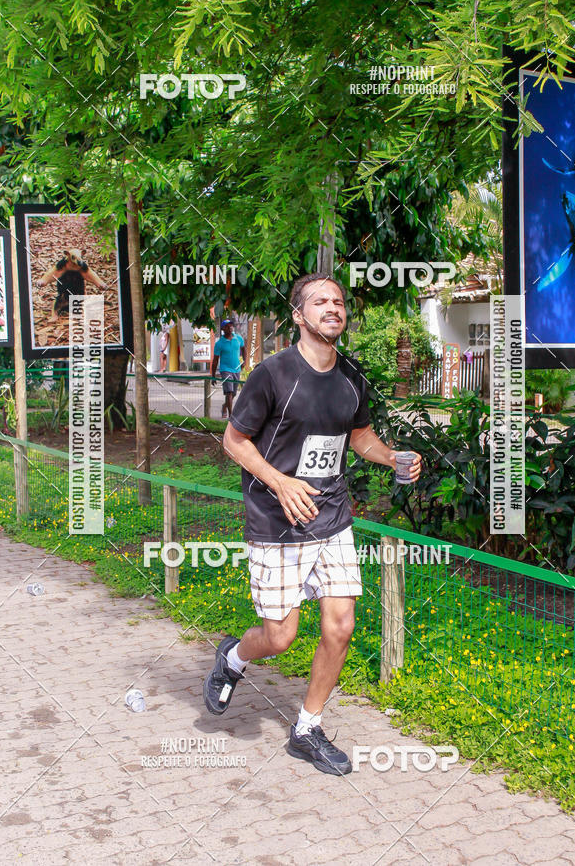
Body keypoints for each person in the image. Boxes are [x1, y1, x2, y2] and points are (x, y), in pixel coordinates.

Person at [203, 273, 422, 775]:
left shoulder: (351, 375)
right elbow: (234, 441)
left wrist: (391, 457)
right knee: (280, 637)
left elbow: (359, 437)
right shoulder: (272, 374)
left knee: (340, 625)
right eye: (320, 301)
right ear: (299, 316)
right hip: (276, 521)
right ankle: (233, 658)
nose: (333, 307)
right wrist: (280, 482)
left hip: (332, 518)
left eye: (339, 301)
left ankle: (307, 728)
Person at [37, 248, 107, 322]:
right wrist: (43, 281)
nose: (79, 261)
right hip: (64, 288)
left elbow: (90, 275)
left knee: (80, 299)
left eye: (80, 257)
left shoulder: (81, 266)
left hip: (78, 289)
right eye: (74, 258)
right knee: (59, 299)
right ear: (68, 255)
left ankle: (80, 313)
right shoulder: (63, 265)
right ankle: (54, 315)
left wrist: (99, 283)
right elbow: (53, 273)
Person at [211, 319, 247, 418]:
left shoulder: (238, 338)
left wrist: (244, 361)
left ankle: (224, 406)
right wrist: (213, 376)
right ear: (223, 329)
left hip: (236, 369)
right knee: (229, 392)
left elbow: (244, 349)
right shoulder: (219, 343)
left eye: (231, 325)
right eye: (227, 326)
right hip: (225, 370)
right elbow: (215, 360)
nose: (230, 327)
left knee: (233, 393)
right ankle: (231, 416)